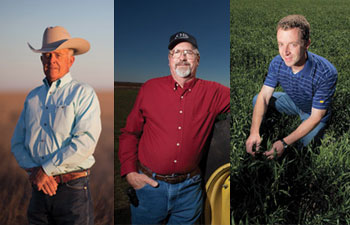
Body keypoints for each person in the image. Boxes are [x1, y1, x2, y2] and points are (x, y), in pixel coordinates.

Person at [118, 31, 230, 224]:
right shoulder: (150, 88)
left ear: (198, 59)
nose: (182, 57)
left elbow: (251, 100)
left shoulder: (215, 92)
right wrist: (130, 172)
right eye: (176, 52)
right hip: (149, 188)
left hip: (190, 192)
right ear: (169, 60)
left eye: (188, 52)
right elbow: (130, 133)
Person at [11, 26, 101, 225]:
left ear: (71, 60)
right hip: (38, 189)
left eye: (58, 55)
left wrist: (45, 170)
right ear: (41, 60)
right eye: (47, 55)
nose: (52, 60)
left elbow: (85, 143)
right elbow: (17, 143)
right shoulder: (32, 97)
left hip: (72, 192)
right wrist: (36, 172)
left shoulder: (83, 93)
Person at [246, 15, 337, 159]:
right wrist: (254, 132)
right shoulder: (277, 63)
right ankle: (261, 135)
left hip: (313, 113)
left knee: (300, 151)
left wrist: (284, 142)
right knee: (257, 99)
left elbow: (315, 117)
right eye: (281, 44)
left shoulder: (326, 72)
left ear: (307, 44)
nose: (285, 52)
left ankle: (324, 137)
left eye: (292, 44)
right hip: (292, 101)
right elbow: (263, 97)